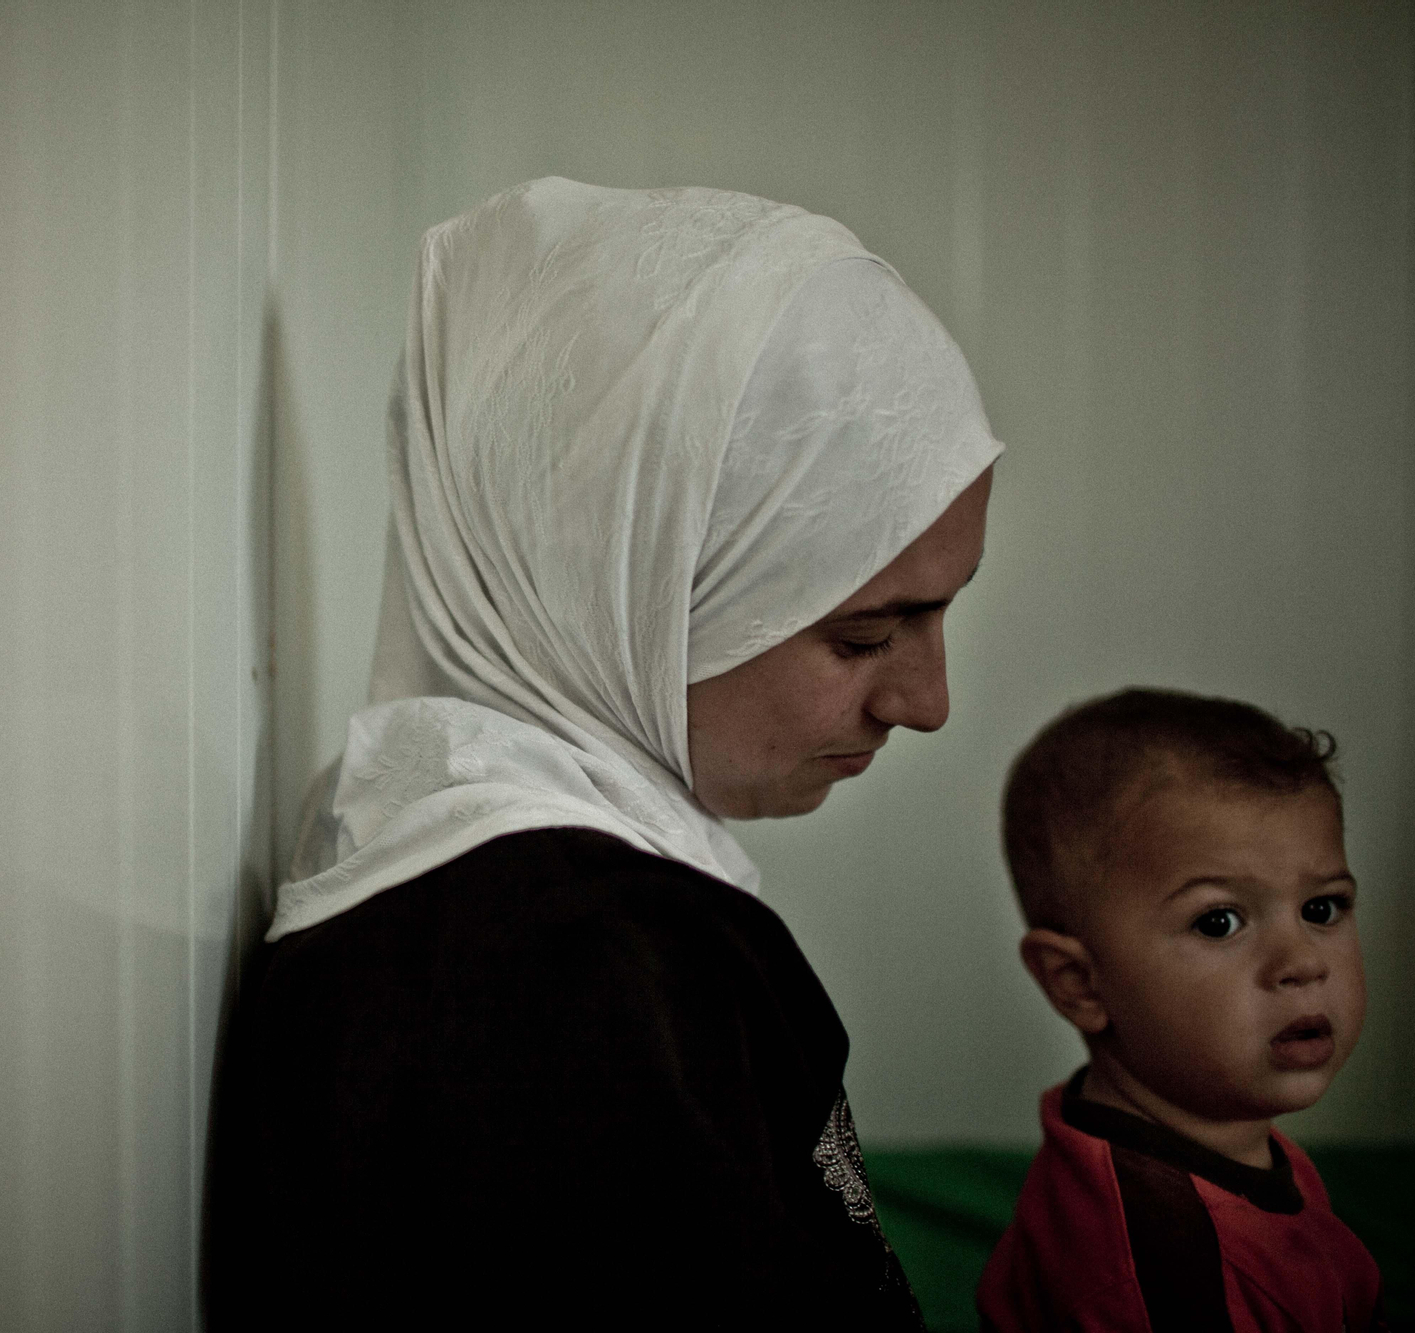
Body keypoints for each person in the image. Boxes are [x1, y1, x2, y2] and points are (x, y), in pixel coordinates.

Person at [205, 177, 1001, 1329]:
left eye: (941, 614)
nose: (926, 701)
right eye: (863, 633)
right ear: (621, 579)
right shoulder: (559, 977)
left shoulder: (470, 880)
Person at [979, 688, 1384, 1332]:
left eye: (1322, 909)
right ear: (1079, 984)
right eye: (1219, 922)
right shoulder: (1165, 1271)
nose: (1304, 962)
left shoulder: (1212, 1130)